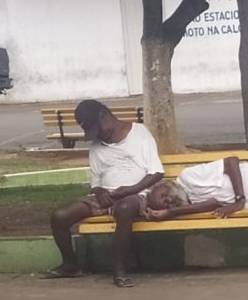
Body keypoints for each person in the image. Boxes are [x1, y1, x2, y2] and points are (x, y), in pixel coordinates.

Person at [45, 99, 164, 288]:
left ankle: (119, 270)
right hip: (105, 196)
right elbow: (96, 181)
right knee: (59, 216)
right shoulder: (97, 145)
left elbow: (157, 172)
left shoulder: (139, 133)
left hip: (137, 193)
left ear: (105, 115)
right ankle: (70, 265)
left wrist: (131, 190)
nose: (97, 135)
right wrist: (99, 191)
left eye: (97, 129)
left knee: (124, 208)